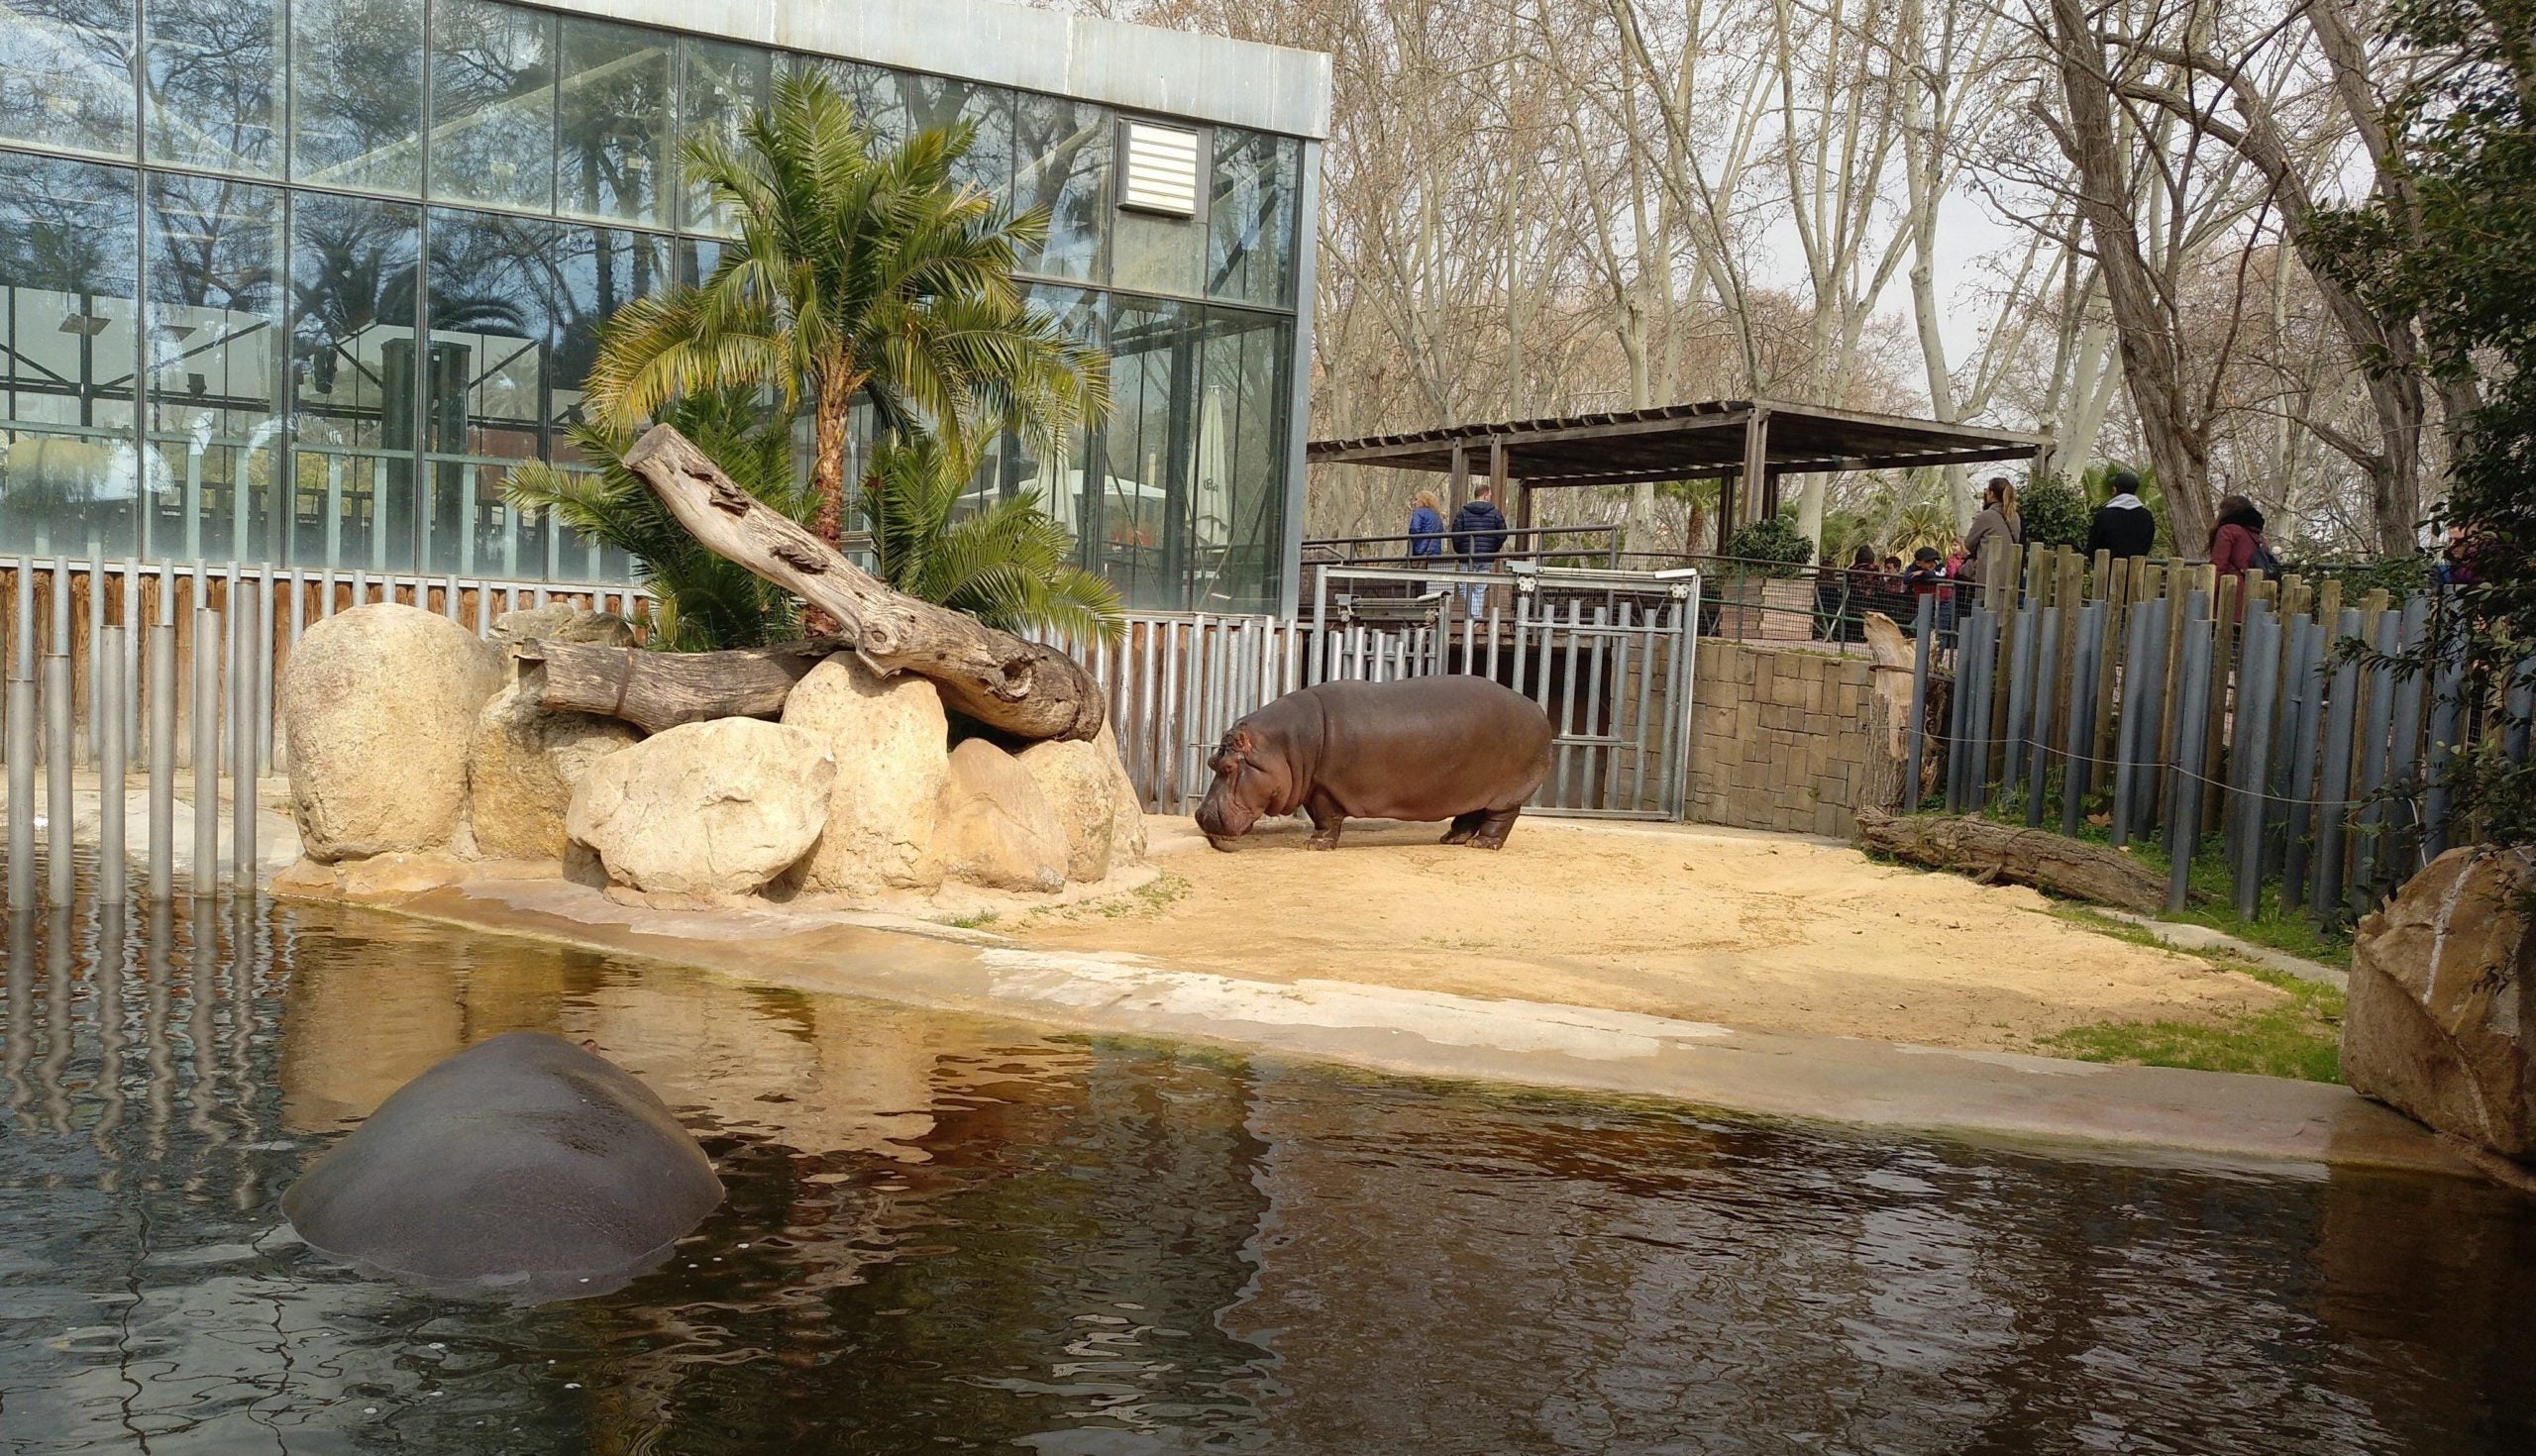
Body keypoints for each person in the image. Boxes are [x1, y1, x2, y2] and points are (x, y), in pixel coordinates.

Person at [1449, 483, 1510, 613]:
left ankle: (1474, 616)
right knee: (1480, 588)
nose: (1490, 497)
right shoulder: (1495, 513)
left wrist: (1460, 551)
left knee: (1464, 586)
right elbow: (1502, 534)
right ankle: (1476, 616)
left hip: (1467, 556)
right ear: (1485, 495)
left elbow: (1456, 535)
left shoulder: (1463, 512)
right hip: (1486, 557)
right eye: (1490, 495)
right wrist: (1493, 549)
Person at [1959, 476, 2023, 584]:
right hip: (2009, 574)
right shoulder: (2014, 516)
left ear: (1991, 493)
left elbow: (1968, 544)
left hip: (1988, 574)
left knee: (1985, 600)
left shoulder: (1986, 515)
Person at [2086, 469, 2157, 561]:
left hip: (2106, 570)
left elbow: (2092, 547)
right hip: (2136, 570)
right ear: (2135, 491)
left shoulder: (2103, 516)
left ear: (2115, 489)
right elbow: (2147, 545)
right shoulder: (2146, 516)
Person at [2208, 492, 2272, 586]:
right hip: (2254, 587)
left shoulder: (2228, 531)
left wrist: (2209, 589)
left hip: (2230, 588)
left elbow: (2219, 564)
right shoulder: (2257, 536)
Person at [1407, 489, 1445, 597]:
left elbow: (1415, 529)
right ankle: (1431, 604)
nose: (1415, 502)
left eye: (1416, 499)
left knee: (1419, 581)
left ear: (1422, 501)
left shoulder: (1419, 512)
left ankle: (1419, 603)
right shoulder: (1436, 516)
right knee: (1431, 582)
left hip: (1421, 550)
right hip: (1435, 552)